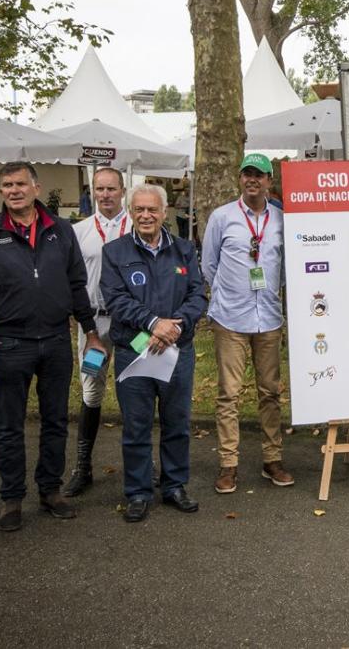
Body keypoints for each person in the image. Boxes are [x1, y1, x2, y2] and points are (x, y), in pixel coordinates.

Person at [0, 161, 105, 531]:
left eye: (20, 184)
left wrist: (91, 331)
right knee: (10, 425)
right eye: (7, 186)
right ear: (2, 192)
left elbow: (77, 283)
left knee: (56, 420)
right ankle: (11, 498)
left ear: (36, 188)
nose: (13, 191)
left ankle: (50, 490)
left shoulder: (60, 230)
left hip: (58, 339)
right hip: (11, 342)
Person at [100, 184, 207, 522]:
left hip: (178, 349)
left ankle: (174, 485)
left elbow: (198, 295)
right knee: (136, 424)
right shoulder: (114, 252)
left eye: (152, 210)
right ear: (130, 212)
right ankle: (138, 491)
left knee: (177, 423)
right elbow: (115, 298)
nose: (146, 216)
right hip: (135, 349)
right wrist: (152, 323)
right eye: (139, 210)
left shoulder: (185, 249)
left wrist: (173, 328)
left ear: (164, 213)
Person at [202, 153, 290, 494]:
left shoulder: (282, 218)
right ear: (240, 179)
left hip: (268, 317)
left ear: (269, 181)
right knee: (229, 394)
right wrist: (229, 294)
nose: (252, 179)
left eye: (259, 174)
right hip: (231, 318)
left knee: (270, 392)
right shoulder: (222, 217)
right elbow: (209, 265)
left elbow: (284, 266)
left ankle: (273, 459)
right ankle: (228, 465)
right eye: (247, 174)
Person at [63, 167, 130, 497]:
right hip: (93, 326)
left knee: (138, 389)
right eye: (100, 189)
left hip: (133, 325)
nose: (105, 194)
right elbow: (72, 281)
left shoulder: (137, 225)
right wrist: (81, 322)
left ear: (122, 190)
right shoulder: (79, 231)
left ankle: (141, 464)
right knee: (91, 391)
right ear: (94, 191)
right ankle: (83, 467)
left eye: (111, 188)